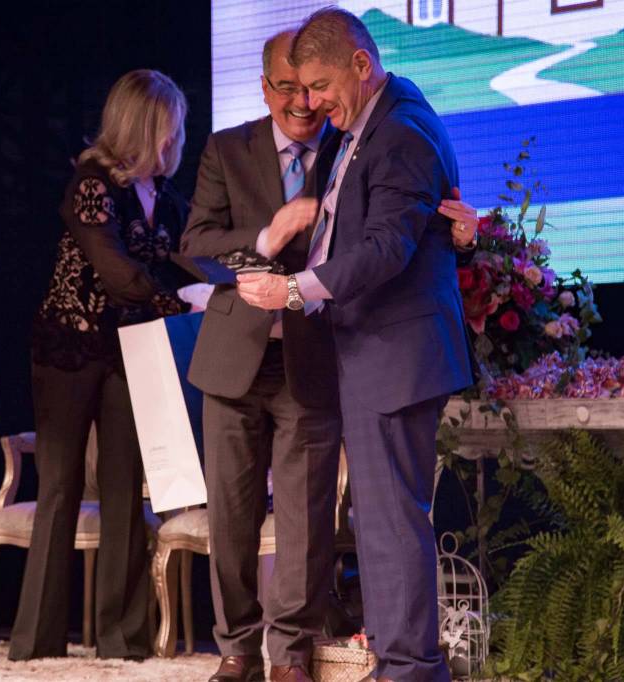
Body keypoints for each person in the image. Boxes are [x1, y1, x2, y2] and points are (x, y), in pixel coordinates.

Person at [191, 27, 477, 682]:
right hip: (353, 353)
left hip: (390, 353)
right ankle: (398, 662)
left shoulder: (399, 131)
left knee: (390, 522)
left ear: (360, 64)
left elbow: (385, 247)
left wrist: (293, 289)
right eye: (298, 88)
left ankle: (408, 668)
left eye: (320, 86)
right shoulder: (366, 127)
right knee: (379, 522)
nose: (312, 103)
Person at [9, 69, 193, 662]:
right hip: (70, 347)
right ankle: (37, 642)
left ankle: (123, 640)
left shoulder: (167, 197)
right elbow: (114, 270)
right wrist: (178, 299)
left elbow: (195, 255)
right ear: (141, 125)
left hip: (128, 352)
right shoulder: (91, 183)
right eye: (167, 126)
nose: (174, 138)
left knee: (123, 490)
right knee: (60, 487)